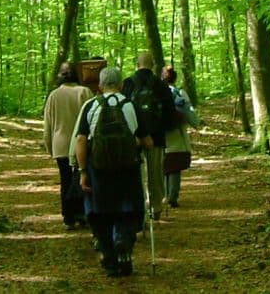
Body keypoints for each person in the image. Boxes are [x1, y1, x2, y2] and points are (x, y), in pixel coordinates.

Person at [75, 66, 149, 277]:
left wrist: (82, 171)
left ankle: (110, 262)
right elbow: (147, 140)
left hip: (98, 170)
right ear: (121, 84)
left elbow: (80, 140)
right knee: (128, 210)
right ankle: (123, 241)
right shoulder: (130, 105)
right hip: (127, 169)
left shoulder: (91, 106)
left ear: (99, 85)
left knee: (100, 215)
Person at [121, 52, 176, 221]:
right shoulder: (161, 85)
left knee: (135, 173)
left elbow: (121, 110)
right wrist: (165, 129)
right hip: (156, 137)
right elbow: (170, 112)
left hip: (134, 137)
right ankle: (156, 207)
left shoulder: (127, 84)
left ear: (137, 64)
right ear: (153, 65)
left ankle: (137, 208)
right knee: (155, 173)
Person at [43, 62, 90, 230]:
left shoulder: (54, 96)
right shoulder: (84, 92)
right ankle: (82, 214)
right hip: (80, 144)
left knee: (66, 180)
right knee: (82, 179)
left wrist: (49, 147)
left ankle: (68, 217)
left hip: (60, 145)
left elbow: (47, 126)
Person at [161, 65, 200, 209]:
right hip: (177, 132)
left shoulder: (158, 93)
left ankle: (165, 195)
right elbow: (189, 112)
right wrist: (196, 123)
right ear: (175, 78)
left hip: (161, 134)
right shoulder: (180, 92)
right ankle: (172, 196)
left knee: (164, 165)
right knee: (175, 166)